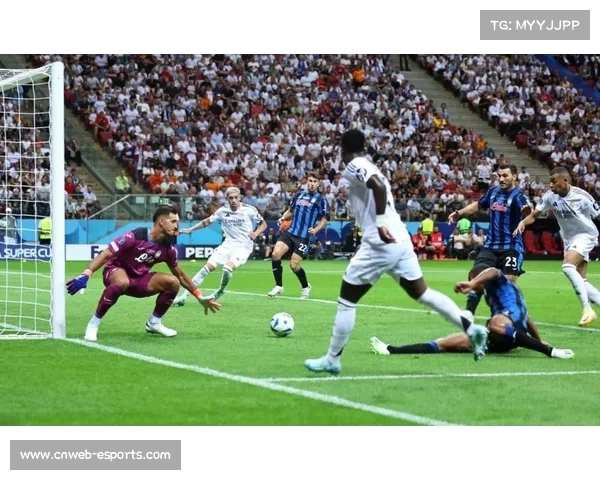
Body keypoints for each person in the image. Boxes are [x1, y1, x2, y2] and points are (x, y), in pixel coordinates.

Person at [304, 129, 489, 376]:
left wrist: (380, 223)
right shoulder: (368, 164)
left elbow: (378, 186)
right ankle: (470, 327)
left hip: (380, 241)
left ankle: (332, 359)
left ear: (342, 148)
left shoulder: (355, 164)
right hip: (400, 239)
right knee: (422, 293)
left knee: (347, 301)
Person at [66, 206, 221, 342]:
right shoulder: (135, 235)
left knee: (173, 282)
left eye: (177, 222)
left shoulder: (168, 249)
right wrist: (87, 273)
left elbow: (180, 275)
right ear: (161, 222)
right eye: (173, 221)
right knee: (122, 282)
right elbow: (106, 254)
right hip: (115, 272)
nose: (177, 226)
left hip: (139, 280)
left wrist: (199, 296)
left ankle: (154, 323)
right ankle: (94, 324)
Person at [370, 264, 574, 360]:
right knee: (444, 343)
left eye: (473, 280)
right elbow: (527, 318)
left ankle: (551, 353)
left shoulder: (502, 283)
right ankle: (391, 350)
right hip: (501, 338)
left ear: (479, 277)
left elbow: (493, 271)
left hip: (507, 327)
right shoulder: (488, 294)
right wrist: (539, 339)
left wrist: (473, 282)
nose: (472, 286)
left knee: (494, 324)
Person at [515, 167, 600, 326]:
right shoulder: (549, 196)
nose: (551, 185)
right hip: (569, 239)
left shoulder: (582, 197)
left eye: (554, 181)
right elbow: (534, 215)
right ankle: (590, 307)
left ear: (565, 181)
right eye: (550, 182)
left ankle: (587, 309)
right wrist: (523, 222)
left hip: (586, 235)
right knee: (581, 281)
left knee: (567, 266)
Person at [448, 165, 531, 315]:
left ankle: (511, 313)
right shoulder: (493, 191)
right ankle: (468, 314)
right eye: (499, 176)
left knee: (509, 283)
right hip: (491, 246)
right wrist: (460, 213)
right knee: (476, 275)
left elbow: (528, 212)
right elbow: (478, 205)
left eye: (505, 176)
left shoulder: (518, 196)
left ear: (514, 177)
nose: (501, 179)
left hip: (511, 247)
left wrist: (526, 213)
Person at [174, 187, 267, 305]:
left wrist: (256, 233)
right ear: (227, 199)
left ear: (240, 198)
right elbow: (206, 222)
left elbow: (263, 224)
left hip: (243, 247)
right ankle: (183, 297)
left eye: (236, 197)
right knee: (204, 270)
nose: (233, 200)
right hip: (227, 245)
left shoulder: (249, 210)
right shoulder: (222, 211)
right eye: (231, 198)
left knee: (227, 269)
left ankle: (221, 290)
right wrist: (190, 229)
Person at [267, 172, 329, 299]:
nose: (312, 184)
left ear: (318, 183)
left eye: (315, 181)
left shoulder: (321, 200)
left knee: (294, 265)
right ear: (307, 182)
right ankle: (278, 286)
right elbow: (290, 210)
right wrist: (282, 218)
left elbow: (324, 220)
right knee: (275, 254)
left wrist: (316, 230)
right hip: (290, 231)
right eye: (310, 181)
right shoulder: (299, 195)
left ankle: (306, 287)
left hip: (303, 236)